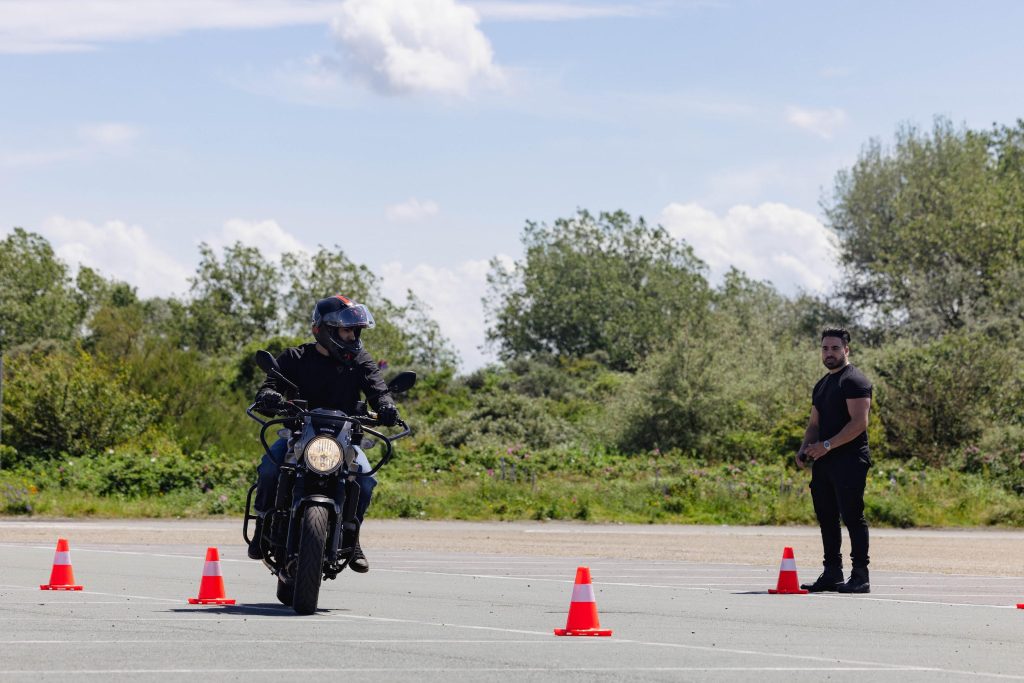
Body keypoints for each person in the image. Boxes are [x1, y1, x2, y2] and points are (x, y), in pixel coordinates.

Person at [247, 294, 400, 572]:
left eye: (355, 331)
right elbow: (270, 384)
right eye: (346, 330)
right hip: (298, 436)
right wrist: (269, 395)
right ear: (326, 330)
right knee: (269, 469)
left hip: (343, 440)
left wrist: (387, 406)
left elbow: (378, 390)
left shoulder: (361, 361)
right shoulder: (295, 358)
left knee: (366, 481)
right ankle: (262, 524)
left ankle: (352, 537)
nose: (352, 336)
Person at [796, 327, 873, 594]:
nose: (829, 353)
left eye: (835, 348)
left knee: (853, 517)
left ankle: (860, 575)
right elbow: (814, 424)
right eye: (825, 349)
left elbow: (859, 423)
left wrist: (827, 446)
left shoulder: (854, 381)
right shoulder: (822, 384)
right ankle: (832, 573)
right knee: (826, 518)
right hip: (824, 461)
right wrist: (805, 448)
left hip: (850, 460)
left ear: (846, 350)